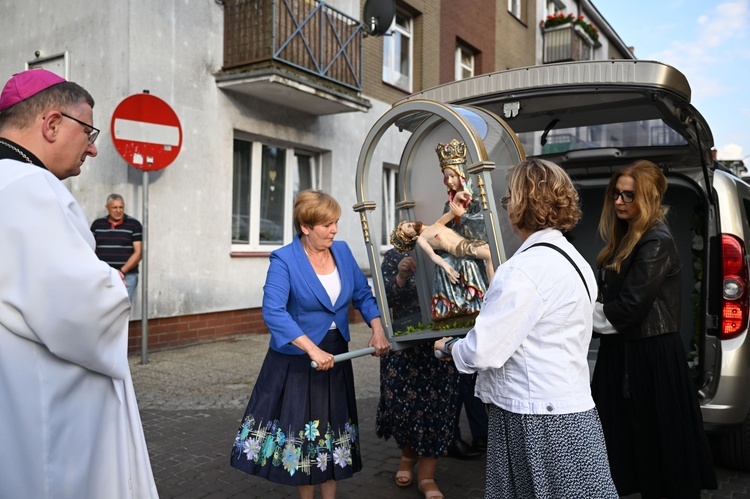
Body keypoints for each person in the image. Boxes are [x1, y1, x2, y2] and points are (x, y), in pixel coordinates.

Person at [0, 69, 157, 498]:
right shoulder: (32, 187)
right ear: (51, 124)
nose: (92, 147)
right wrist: (111, 280)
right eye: (87, 131)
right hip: (47, 414)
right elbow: (85, 309)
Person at [435, 158, 618, 498]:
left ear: (521, 204)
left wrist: (448, 347)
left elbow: (482, 351)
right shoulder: (573, 258)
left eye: (508, 199)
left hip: (537, 420)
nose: (506, 208)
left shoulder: (523, 269)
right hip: (573, 412)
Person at [230, 190, 391, 499]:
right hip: (299, 357)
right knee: (305, 434)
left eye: (336, 222)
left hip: (336, 354)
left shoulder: (341, 252)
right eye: (326, 224)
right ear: (305, 227)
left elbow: (363, 295)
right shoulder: (285, 259)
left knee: (332, 430)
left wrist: (377, 328)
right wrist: (311, 349)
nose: (334, 230)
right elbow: (273, 311)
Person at [591, 160, 717, 498]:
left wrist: (578, 314)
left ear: (646, 198)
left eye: (628, 195)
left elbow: (630, 308)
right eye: (616, 194)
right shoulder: (625, 238)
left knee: (657, 441)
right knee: (625, 438)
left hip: (650, 355)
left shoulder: (655, 240)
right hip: (624, 352)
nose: (619, 201)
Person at [376, 247, 460, 499]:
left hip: (439, 343)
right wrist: (401, 276)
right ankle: (407, 456)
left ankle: (426, 475)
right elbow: (384, 299)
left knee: (437, 409)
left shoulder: (450, 250)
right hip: (405, 346)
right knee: (403, 407)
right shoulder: (394, 256)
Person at [435, 139, 489, 458]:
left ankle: (481, 432)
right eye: (445, 176)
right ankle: (455, 433)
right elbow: (437, 236)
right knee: (456, 367)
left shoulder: (474, 201)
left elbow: (481, 235)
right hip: (450, 277)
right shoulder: (450, 205)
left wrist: (461, 219)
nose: (449, 181)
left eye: (451, 175)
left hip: (471, 277)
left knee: (473, 362)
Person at [391, 215, 494, 284]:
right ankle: (494, 289)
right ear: (411, 237)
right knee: (489, 256)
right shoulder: (422, 239)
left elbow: (451, 212)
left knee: (491, 250)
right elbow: (433, 255)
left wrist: (458, 195)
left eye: (409, 224)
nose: (411, 225)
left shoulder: (437, 224)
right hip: (461, 248)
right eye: (408, 229)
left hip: (467, 242)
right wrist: (446, 266)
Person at [91, 193, 143, 301]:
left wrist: (121, 272)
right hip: (103, 276)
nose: (118, 210)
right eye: (114, 207)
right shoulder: (97, 225)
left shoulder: (134, 225)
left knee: (122, 310)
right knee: (103, 309)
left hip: (127, 276)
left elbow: (138, 253)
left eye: (121, 207)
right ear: (107, 208)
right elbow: (90, 250)